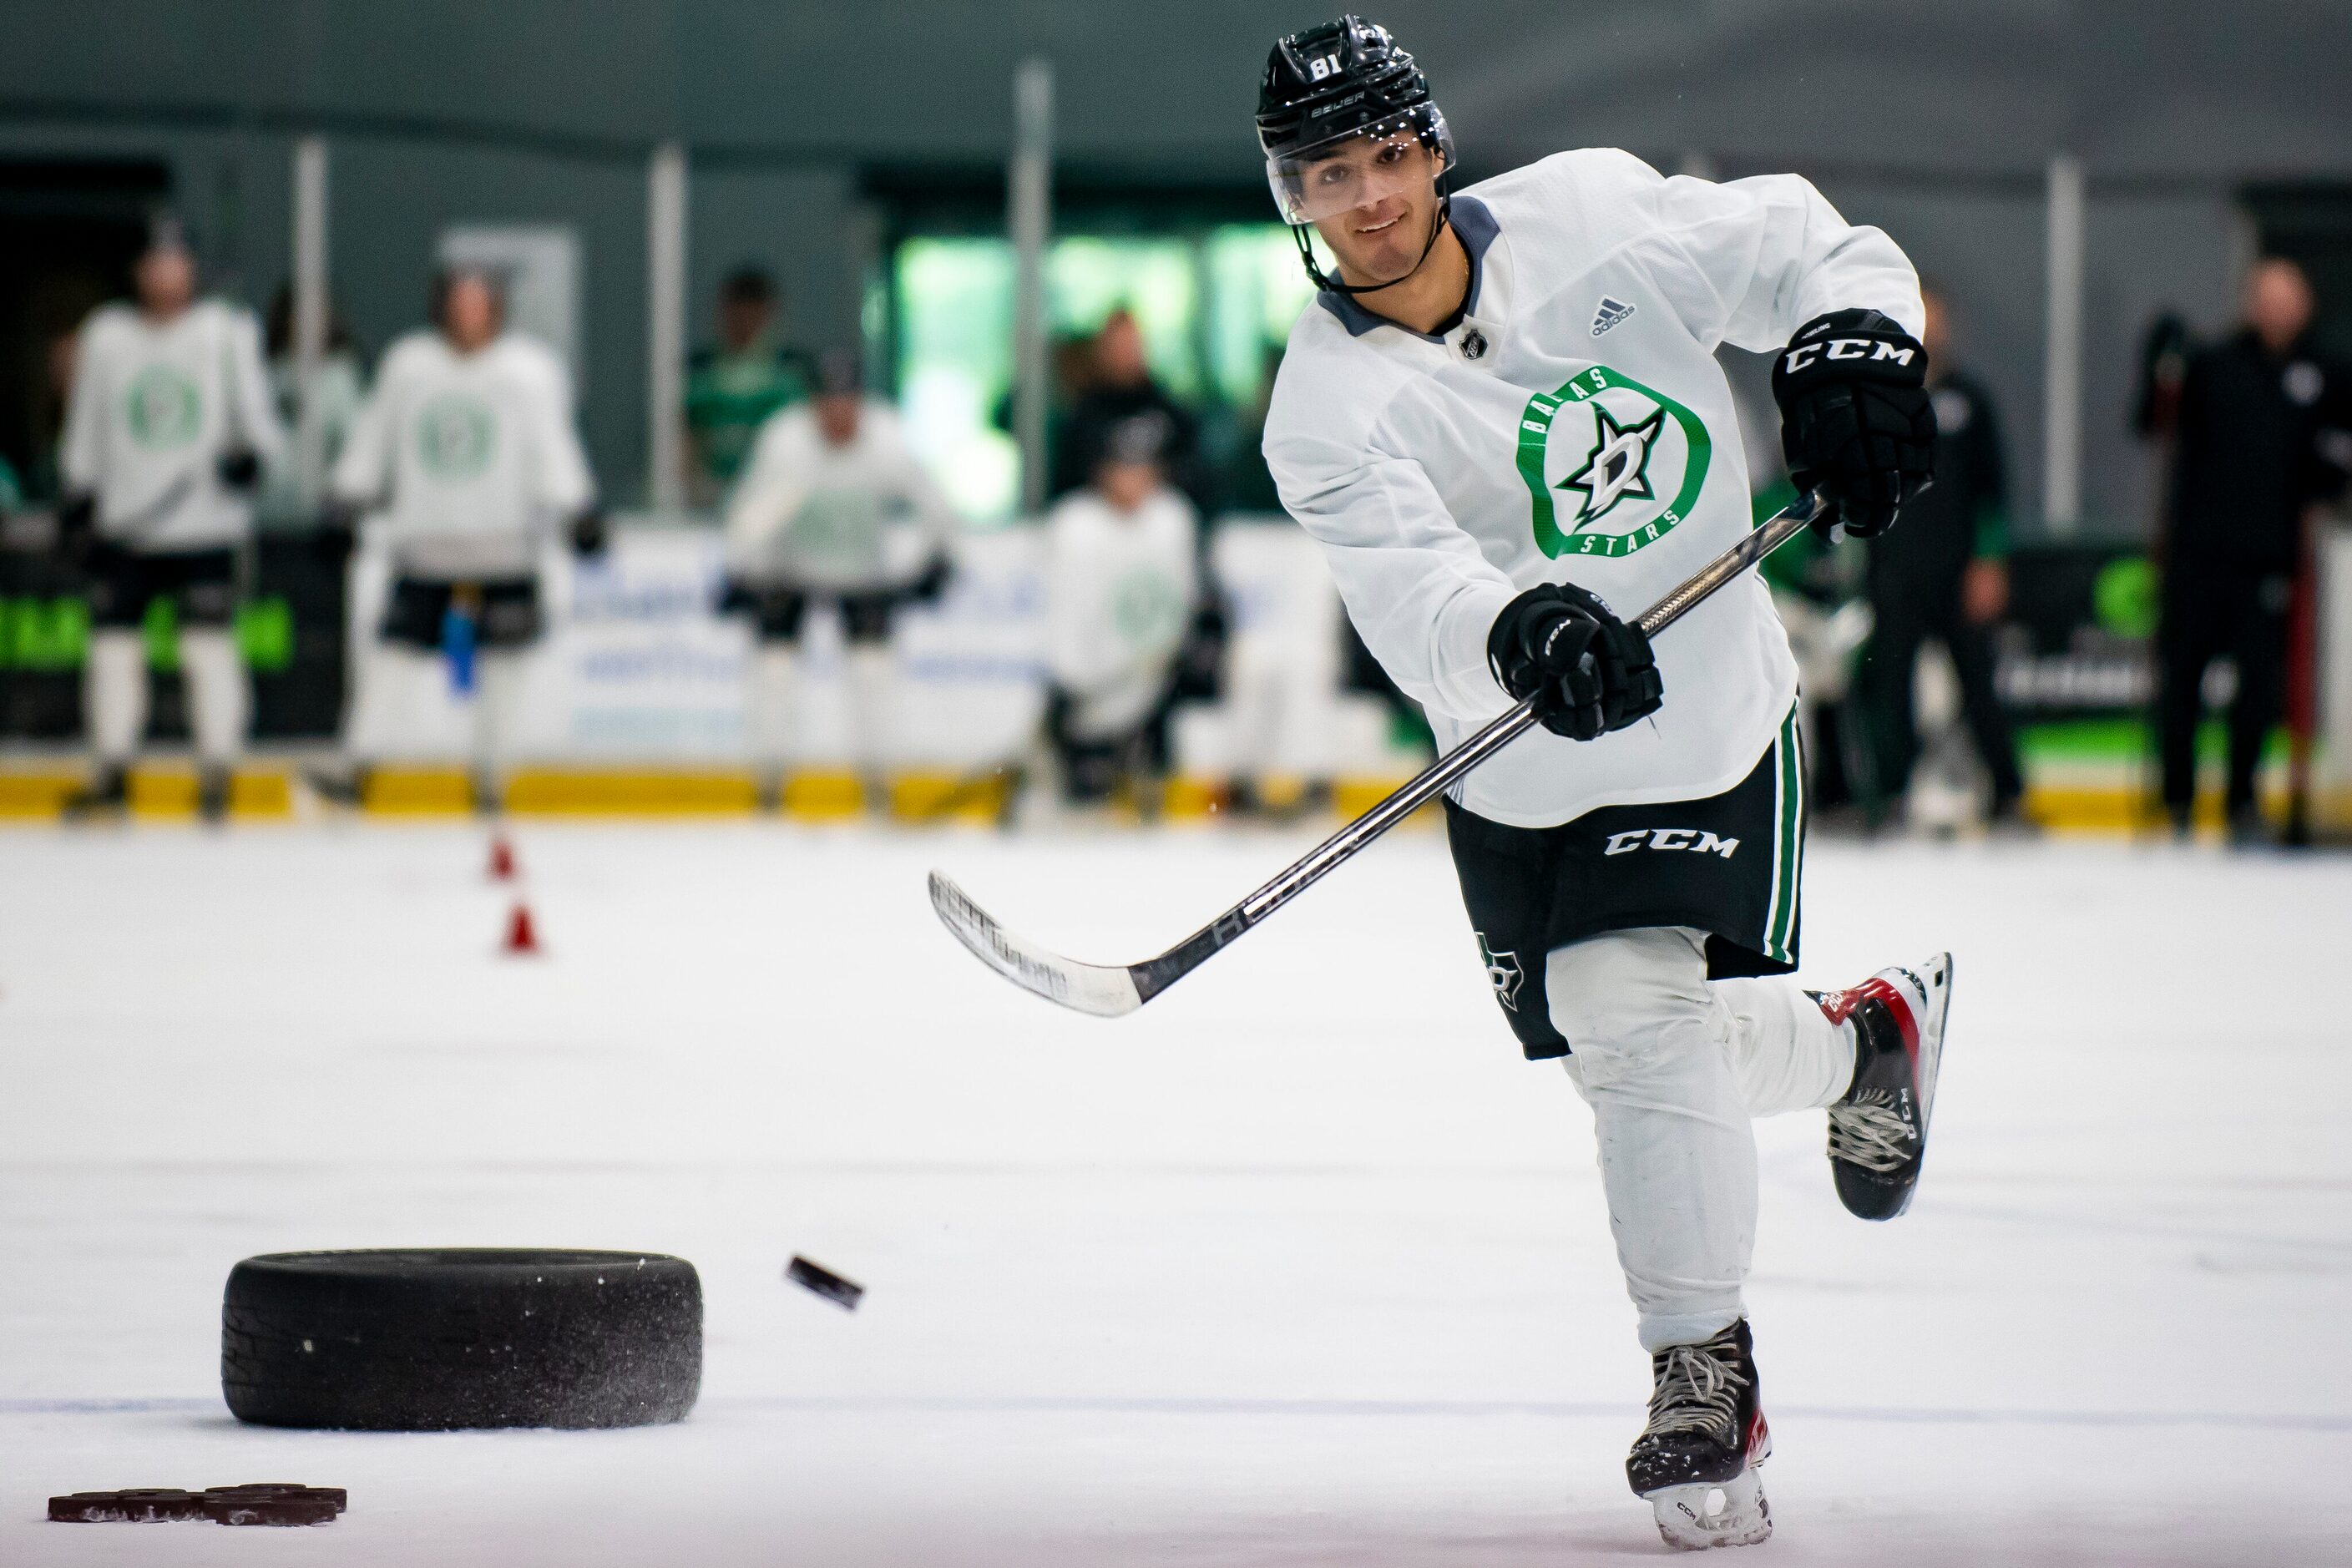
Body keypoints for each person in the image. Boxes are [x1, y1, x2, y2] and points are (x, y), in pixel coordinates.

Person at [1255, 17, 1951, 1550]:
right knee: (1623, 1046)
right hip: (1513, 767)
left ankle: (1703, 1373)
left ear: (1431, 147)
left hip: (1708, 719)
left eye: (1385, 155)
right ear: (1289, 198)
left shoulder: (1591, 213)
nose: (1367, 197)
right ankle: (1859, 1048)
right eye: (1326, 173)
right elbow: (1411, 595)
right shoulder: (1320, 412)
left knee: (1630, 1017)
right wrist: (1512, 627)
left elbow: (1815, 249)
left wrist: (1849, 343)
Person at [329, 266, 601, 810]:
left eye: (480, 304)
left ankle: (490, 780)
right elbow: (375, 433)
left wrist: (578, 506)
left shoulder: (529, 370)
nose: (469, 316)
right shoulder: (409, 365)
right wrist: (346, 495)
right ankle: (359, 767)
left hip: (505, 548)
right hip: (425, 547)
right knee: (392, 661)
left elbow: (551, 445)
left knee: (504, 674)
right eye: (460, 303)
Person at [56, 222, 283, 818]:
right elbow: (88, 421)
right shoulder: (107, 334)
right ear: (138, 272)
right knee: (111, 650)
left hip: (203, 525)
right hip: (125, 523)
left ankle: (217, 768)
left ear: (193, 271)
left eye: (176, 263)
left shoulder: (226, 332)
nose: (165, 276)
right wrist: (78, 493)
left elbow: (257, 421)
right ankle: (111, 766)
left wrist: (250, 459)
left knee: (208, 650)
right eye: (154, 264)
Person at [2153, 257, 2349, 844]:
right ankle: (2177, 802)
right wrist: (2158, 366)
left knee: (2256, 690)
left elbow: (2332, 463)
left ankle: (2240, 801)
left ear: (2305, 305)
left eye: (2286, 298)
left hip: (2270, 559)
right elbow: (2154, 421)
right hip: (2196, 555)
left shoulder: (2327, 371)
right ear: (2248, 303)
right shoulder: (2212, 365)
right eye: (2265, 297)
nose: (2276, 309)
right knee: (2182, 682)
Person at [721, 349, 955, 795]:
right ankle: (770, 782)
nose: (838, 415)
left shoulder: (887, 440)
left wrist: (937, 558)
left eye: (848, 402)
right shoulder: (786, 444)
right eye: (828, 403)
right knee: (774, 671)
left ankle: (877, 782)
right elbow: (752, 513)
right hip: (787, 572)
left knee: (873, 672)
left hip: (865, 573)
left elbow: (933, 503)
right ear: (812, 406)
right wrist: (741, 570)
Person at [1858, 284, 2025, 828]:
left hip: (1957, 570)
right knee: (1889, 685)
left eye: (1935, 318)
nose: (1926, 330)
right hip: (1893, 566)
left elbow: (1992, 490)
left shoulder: (1969, 400)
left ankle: (2007, 792)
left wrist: (1989, 561)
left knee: (1978, 681)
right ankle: (1889, 794)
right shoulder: (1876, 398)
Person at [1042, 412, 1200, 807]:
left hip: (1155, 681)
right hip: (1087, 692)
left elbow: (1182, 606)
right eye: (1123, 467)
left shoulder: (1172, 518)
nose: (1133, 478)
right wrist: (1071, 681)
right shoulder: (1075, 525)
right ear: (1102, 471)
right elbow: (1065, 615)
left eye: (1142, 467)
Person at [685, 267, 811, 503]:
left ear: (769, 314)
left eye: (753, 315)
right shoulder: (698, 372)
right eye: (736, 314)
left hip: (775, 495)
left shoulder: (793, 372)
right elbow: (684, 437)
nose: (744, 323)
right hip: (709, 494)